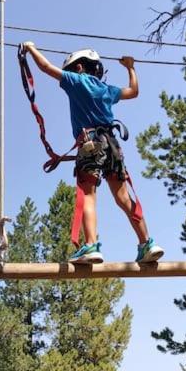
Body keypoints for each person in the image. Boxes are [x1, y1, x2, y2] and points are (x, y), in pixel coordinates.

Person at [21, 42, 164, 263]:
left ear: (79, 68)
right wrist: (130, 68)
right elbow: (134, 91)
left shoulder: (76, 81)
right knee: (124, 197)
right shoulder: (106, 90)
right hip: (113, 145)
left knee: (88, 194)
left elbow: (46, 67)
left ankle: (90, 246)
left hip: (90, 143)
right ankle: (146, 243)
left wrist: (30, 48)